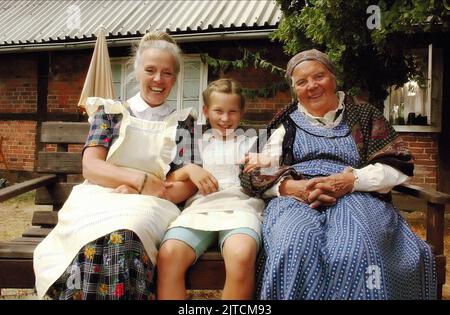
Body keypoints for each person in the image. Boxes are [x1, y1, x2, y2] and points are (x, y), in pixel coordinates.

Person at [241, 49, 436, 300]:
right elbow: (250, 172)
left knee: (355, 247)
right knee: (293, 244)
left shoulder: (365, 115)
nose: (311, 86)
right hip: (297, 197)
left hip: (358, 195)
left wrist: (351, 180)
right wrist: (289, 187)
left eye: (319, 76)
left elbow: (397, 164)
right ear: (294, 89)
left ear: (333, 78)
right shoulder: (285, 122)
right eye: (301, 82)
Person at [33, 31, 197, 300]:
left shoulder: (183, 122)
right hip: (101, 195)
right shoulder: (110, 112)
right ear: (137, 71)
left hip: (153, 203)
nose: (158, 79)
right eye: (151, 70)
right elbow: (92, 167)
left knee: (125, 234)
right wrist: (140, 180)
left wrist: (145, 191)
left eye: (167, 73)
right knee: (93, 238)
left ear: (175, 77)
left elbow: (186, 183)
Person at [156, 79, 264, 300]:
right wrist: (189, 169)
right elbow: (171, 178)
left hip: (240, 210)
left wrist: (262, 163)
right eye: (218, 111)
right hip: (198, 210)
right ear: (206, 111)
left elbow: (265, 178)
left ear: (241, 112)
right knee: (169, 254)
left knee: (242, 254)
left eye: (232, 111)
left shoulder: (252, 141)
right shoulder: (194, 141)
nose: (225, 118)